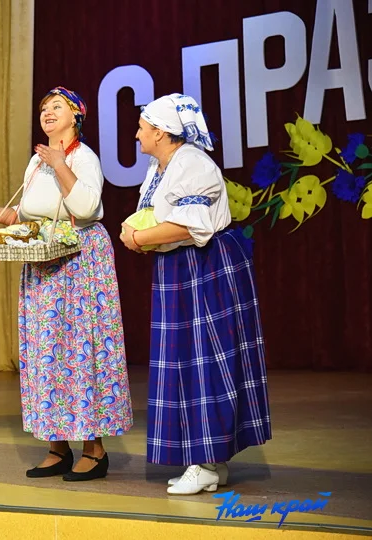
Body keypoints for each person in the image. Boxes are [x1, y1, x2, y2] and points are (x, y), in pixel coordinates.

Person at [0, 87, 132, 481]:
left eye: (57, 106)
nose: (47, 112)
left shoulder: (83, 157)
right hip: (44, 262)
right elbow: (29, 215)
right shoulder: (35, 162)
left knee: (82, 350)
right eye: (43, 107)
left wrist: (60, 163)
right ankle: (57, 447)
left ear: (76, 116)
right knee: (48, 352)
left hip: (79, 262)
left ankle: (94, 450)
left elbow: (86, 207)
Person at [119, 93, 271, 495]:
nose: (136, 135)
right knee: (187, 360)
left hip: (204, 266)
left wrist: (138, 238)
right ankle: (210, 461)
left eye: (142, 127)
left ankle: (204, 462)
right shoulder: (162, 167)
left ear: (161, 132)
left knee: (203, 360)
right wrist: (143, 236)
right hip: (181, 266)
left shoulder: (191, 164)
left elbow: (190, 225)